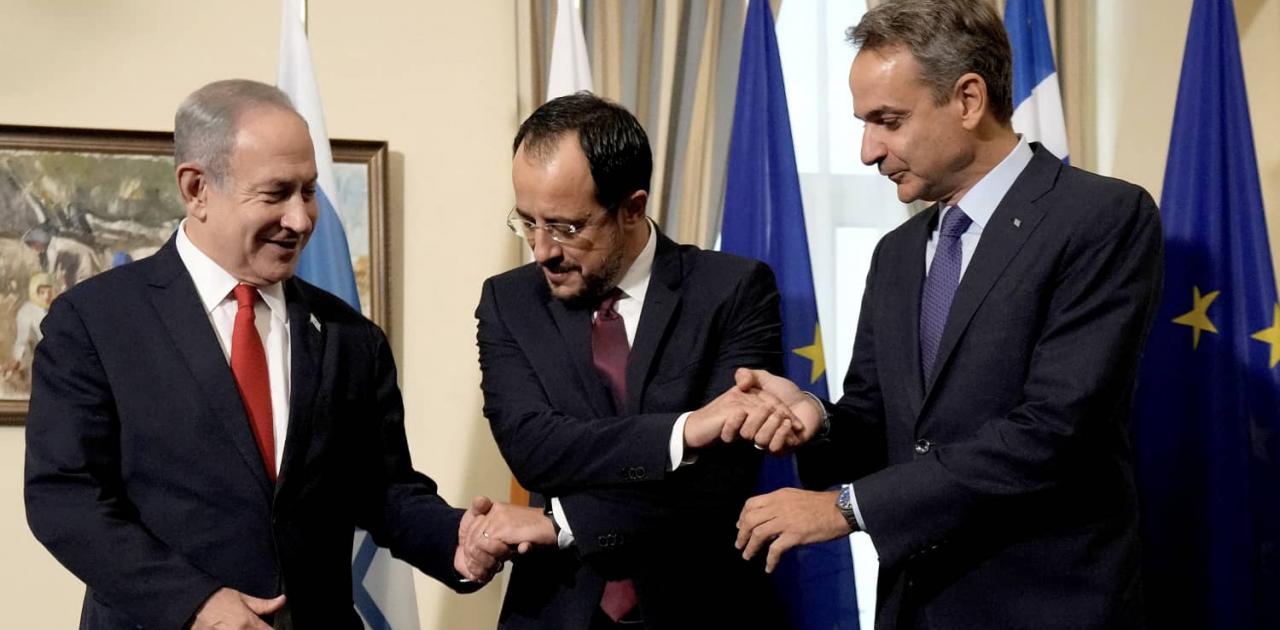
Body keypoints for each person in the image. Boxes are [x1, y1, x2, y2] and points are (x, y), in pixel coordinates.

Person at [732, 2, 1164, 628]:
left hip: (1045, 606)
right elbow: (883, 423)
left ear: (967, 99)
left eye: (888, 121)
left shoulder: (1100, 218)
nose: (867, 151)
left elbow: (1053, 432)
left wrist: (848, 509)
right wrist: (817, 421)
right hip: (916, 605)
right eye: (864, 124)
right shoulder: (897, 253)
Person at [24, 79, 503, 630]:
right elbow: (66, 498)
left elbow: (383, 490)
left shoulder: (350, 336)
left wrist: (456, 542)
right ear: (197, 189)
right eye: (276, 194)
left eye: (309, 191)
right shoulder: (94, 322)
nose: (301, 219)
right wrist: (195, 604)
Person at [467, 92, 791, 629]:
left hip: (702, 607)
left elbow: (720, 479)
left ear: (632, 208)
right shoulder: (509, 301)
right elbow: (533, 449)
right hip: (558, 611)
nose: (542, 249)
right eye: (527, 222)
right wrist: (683, 433)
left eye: (567, 227)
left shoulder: (733, 290)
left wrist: (562, 523)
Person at [3, 272, 53, 381]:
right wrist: (16, 359)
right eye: (42, 292)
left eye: (49, 292)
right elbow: (22, 340)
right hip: (38, 358)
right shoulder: (27, 311)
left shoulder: (54, 308)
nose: (47, 296)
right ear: (35, 292)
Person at [21, 224, 104, 290]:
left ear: (39, 241)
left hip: (84, 267)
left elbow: (51, 274)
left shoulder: (54, 249)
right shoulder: (56, 242)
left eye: (33, 245)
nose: (34, 249)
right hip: (83, 264)